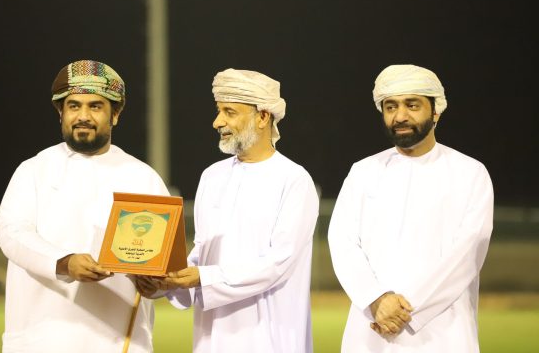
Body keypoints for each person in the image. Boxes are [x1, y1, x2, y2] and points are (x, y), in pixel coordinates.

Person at [136, 68, 319, 352]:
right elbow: (203, 252)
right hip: (211, 337)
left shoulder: (294, 180)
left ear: (262, 117)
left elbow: (278, 263)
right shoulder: (212, 176)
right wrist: (168, 282)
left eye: (229, 112)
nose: (217, 121)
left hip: (270, 338)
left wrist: (203, 277)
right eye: (218, 111)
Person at [0, 60, 168, 352]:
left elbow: (160, 263)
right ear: (61, 112)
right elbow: (12, 234)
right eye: (74, 106)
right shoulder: (34, 170)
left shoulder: (143, 178)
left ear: (115, 114)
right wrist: (65, 263)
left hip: (119, 343)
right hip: (41, 339)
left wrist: (157, 285)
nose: (83, 116)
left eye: (95, 107)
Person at [328, 64, 493, 352]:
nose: (400, 116)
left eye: (412, 105)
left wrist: (406, 311)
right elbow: (342, 243)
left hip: (444, 333)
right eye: (390, 106)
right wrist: (376, 299)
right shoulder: (363, 172)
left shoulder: (470, 173)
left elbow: (466, 255)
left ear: (436, 111)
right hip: (371, 329)